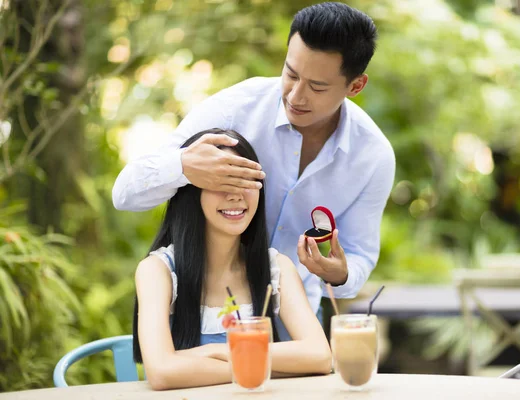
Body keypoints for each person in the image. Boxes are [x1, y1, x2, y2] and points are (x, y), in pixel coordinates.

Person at [114, 2, 396, 325]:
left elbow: (360, 255)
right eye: (290, 74)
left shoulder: (373, 157)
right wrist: (183, 166)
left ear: (355, 86)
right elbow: (125, 193)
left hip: (296, 320)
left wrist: (340, 274)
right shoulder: (236, 109)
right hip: (206, 316)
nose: (295, 96)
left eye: (317, 87)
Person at [133, 129, 332, 390]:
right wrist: (267, 365)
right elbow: (161, 373)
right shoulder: (157, 271)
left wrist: (217, 353)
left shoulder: (277, 268)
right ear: (190, 192)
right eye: (222, 182)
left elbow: (319, 355)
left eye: (245, 182)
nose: (236, 195)